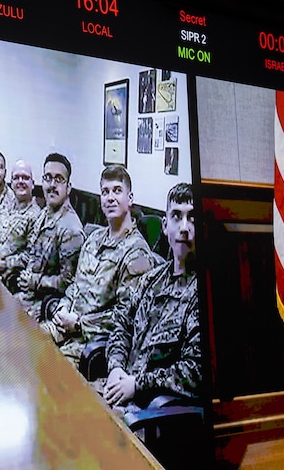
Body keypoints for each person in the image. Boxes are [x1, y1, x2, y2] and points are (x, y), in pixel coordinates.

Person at [42, 164, 158, 361]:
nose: (110, 197)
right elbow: (75, 286)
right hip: (62, 327)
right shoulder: (93, 239)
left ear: (130, 198)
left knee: (44, 370)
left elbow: (127, 316)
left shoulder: (137, 254)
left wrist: (79, 323)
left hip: (88, 343)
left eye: (117, 191)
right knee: (21, 344)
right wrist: (63, 307)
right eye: (105, 192)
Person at [103, 182, 201, 411]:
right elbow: (121, 324)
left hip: (150, 412)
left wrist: (137, 384)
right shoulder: (150, 280)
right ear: (165, 226)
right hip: (116, 390)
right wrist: (116, 366)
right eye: (176, 216)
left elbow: (195, 370)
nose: (184, 228)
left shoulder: (199, 293)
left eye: (192, 218)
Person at [16, 153, 85, 316]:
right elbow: (31, 252)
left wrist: (35, 281)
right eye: (48, 178)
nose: (52, 185)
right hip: (28, 295)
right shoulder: (44, 214)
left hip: (47, 305)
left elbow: (68, 282)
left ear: (68, 187)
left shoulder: (71, 230)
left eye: (59, 179)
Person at [0, 160, 43, 290]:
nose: (20, 181)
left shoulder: (37, 216)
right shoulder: (6, 208)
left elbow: (31, 255)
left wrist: (3, 264)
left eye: (25, 178)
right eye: (16, 178)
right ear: (11, 183)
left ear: (33, 184)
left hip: (7, 278)